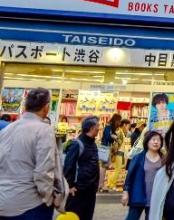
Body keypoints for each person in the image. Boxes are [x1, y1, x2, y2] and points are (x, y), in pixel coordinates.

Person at [0, 88, 65, 219]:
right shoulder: (44, 130)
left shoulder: (8, 129)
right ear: (46, 108)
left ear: (25, 105)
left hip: (4, 201)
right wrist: (49, 198)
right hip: (30, 205)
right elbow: (43, 172)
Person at [64, 116, 101, 220]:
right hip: (78, 190)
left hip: (90, 190)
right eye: (98, 125)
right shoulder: (77, 144)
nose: (99, 128)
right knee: (73, 217)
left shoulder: (93, 144)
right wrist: (70, 185)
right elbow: (68, 166)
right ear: (91, 127)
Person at [122, 130, 163, 220]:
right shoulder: (138, 158)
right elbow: (130, 176)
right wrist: (125, 191)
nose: (156, 142)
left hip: (155, 198)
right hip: (138, 194)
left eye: (158, 140)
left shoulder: (164, 159)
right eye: (153, 139)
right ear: (147, 141)